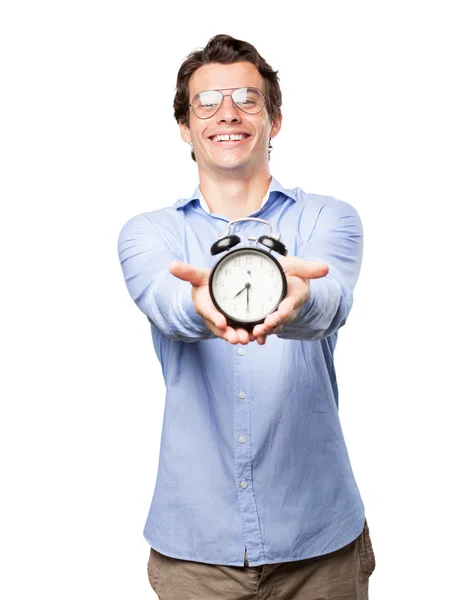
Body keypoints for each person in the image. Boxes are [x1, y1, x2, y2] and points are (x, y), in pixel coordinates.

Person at [118, 34, 375, 600]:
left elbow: (331, 305)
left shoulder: (329, 219)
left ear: (274, 120)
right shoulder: (151, 233)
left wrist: (300, 299)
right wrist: (198, 304)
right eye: (206, 103)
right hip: (196, 554)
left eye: (246, 99)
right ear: (185, 127)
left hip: (319, 547)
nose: (226, 114)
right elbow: (163, 299)